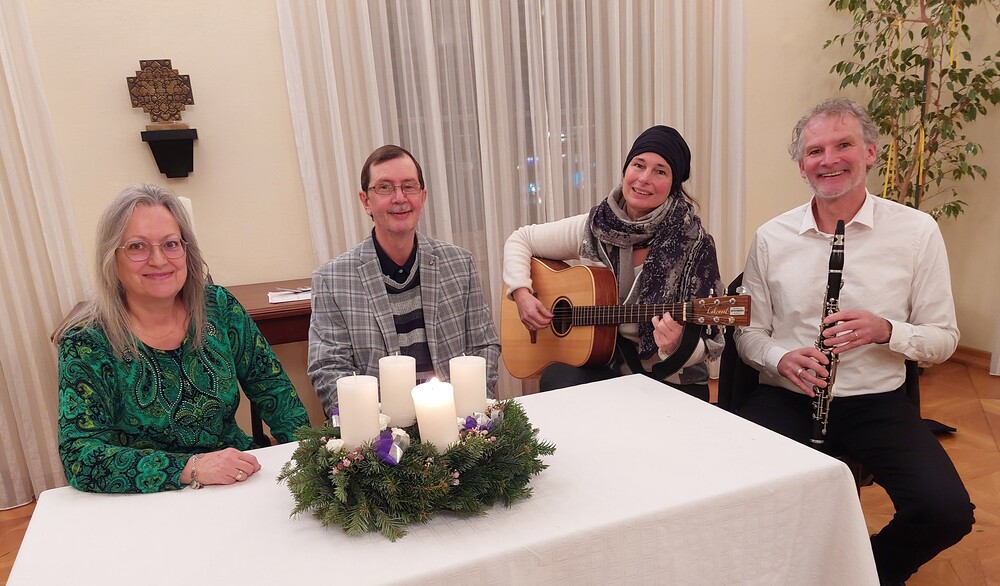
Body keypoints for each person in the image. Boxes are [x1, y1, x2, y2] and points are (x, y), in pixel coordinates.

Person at [734, 98, 974, 584]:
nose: (829, 160)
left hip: (876, 402)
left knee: (946, 511)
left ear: (870, 152)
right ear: (802, 166)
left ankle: (863, 572)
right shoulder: (771, 237)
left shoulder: (916, 232)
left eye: (843, 144)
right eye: (815, 151)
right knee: (732, 495)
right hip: (788, 396)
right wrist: (781, 358)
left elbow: (944, 339)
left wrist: (887, 330)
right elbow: (748, 334)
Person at [54, 184, 309, 493]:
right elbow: (79, 456)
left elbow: (276, 393)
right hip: (143, 498)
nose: (159, 260)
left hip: (235, 482)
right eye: (137, 246)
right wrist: (191, 468)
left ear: (187, 251)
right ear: (112, 258)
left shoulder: (218, 307)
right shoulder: (86, 342)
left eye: (171, 244)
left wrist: (310, 460)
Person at [503, 125, 724, 398]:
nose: (644, 178)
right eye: (638, 165)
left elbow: (710, 341)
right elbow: (521, 239)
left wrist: (677, 344)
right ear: (626, 169)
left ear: (674, 183)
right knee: (558, 378)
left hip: (670, 379)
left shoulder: (695, 244)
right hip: (606, 369)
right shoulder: (596, 225)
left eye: (660, 171)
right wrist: (521, 293)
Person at [308, 144, 501, 416]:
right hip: (378, 430)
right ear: (366, 201)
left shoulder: (460, 264)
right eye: (385, 187)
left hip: (456, 421)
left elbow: (484, 346)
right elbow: (328, 368)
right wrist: (376, 426)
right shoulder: (332, 279)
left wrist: (468, 416)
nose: (400, 198)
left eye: (409, 186)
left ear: (423, 197)